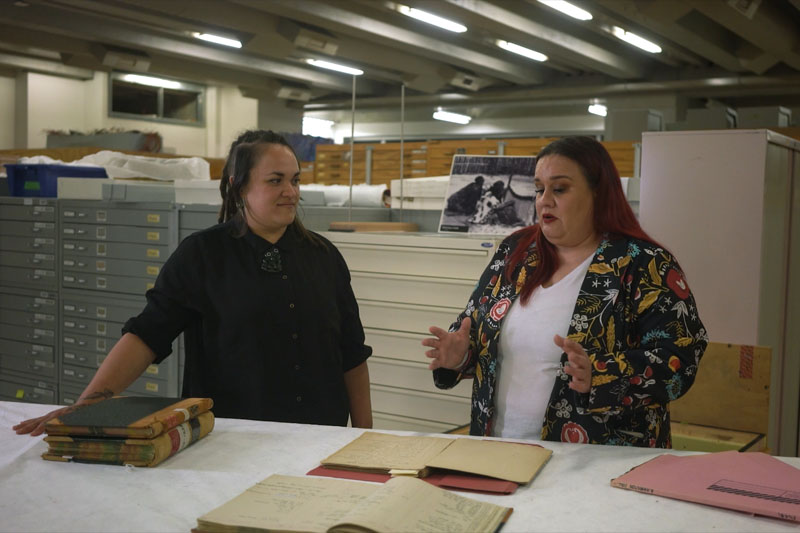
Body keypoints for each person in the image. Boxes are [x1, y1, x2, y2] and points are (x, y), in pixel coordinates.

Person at [15, 130, 372, 436]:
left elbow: (352, 355)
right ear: (239, 186)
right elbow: (147, 335)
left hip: (319, 438)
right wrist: (86, 406)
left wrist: (366, 437)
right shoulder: (203, 255)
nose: (290, 192)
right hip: (232, 439)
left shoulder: (324, 257)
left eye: (295, 180)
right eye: (275, 180)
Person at [423, 136, 707, 447]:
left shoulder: (645, 264)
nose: (544, 199)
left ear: (598, 194)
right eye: (539, 189)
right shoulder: (516, 251)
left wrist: (601, 376)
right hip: (500, 452)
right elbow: (473, 328)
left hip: (600, 465)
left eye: (559, 189)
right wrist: (459, 354)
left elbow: (681, 358)